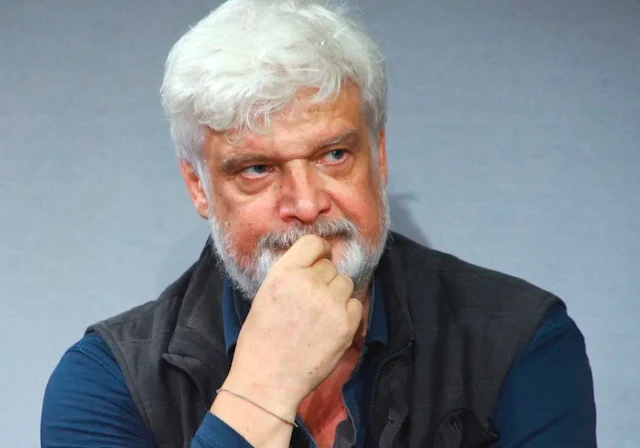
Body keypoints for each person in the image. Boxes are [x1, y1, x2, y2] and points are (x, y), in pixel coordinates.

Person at [40, 1, 597, 447]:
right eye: (257, 169)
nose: (306, 206)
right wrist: (263, 387)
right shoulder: (107, 381)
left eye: (333, 155)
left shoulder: (522, 341)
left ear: (379, 156)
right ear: (198, 187)